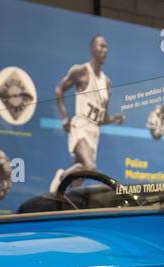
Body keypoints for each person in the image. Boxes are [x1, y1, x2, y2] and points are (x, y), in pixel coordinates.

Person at [50, 36, 124, 193]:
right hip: (81, 126)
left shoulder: (107, 82)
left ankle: (66, 201)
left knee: (80, 177)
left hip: (94, 131)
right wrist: (64, 117)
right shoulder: (81, 71)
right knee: (90, 167)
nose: (105, 50)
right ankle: (61, 177)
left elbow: (103, 118)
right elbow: (59, 89)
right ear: (92, 49)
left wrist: (115, 119)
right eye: (101, 46)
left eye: (106, 47)